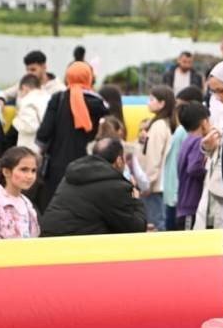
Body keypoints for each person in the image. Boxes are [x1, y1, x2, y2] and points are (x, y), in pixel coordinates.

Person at [35, 62, 109, 214]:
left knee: (56, 208)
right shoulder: (99, 104)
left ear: (68, 77)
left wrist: (40, 152)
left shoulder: (59, 98)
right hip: (88, 164)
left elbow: (44, 133)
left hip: (57, 166)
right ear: (89, 78)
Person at [40, 138, 147, 237]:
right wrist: (136, 200)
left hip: (47, 241)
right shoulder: (115, 187)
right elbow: (136, 229)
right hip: (75, 246)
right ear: (119, 161)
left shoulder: (72, 175)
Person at [198, 60, 223, 230]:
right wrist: (208, 146)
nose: (218, 97)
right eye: (214, 92)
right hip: (215, 186)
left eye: (221, 91)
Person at [137, 86, 177, 232]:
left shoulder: (158, 125)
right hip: (159, 183)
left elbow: (154, 157)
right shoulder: (164, 123)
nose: (148, 102)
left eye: (152, 99)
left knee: (155, 224)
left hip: (154, 185)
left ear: (162, 103)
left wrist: (147, 183)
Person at [163, 86, 201, 230]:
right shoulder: (183, 131)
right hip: (176, 193)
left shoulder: (184, 131)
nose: (177, 110)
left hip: (177, 194)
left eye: (180, 105)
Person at [175, 102, 210, 230]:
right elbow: (194, 167)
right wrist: (209, 172)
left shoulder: (187, 140)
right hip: (191, 205)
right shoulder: (198, 142)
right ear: (204, 122)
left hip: (184, 204)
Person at [99, 116, 149, 195]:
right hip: (123, 190)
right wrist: (145, 187)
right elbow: (139, 174)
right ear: (119, 131)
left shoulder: (94, 150)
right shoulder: (128, 151)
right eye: (140, 130)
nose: (142, 133)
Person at [0, 50, 64, 105]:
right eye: (27, 70)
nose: (29, 73)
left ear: (44, 67)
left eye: (33, 70)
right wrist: (0, 100)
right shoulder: (24, 83)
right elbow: (4, 94)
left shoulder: (59, 89)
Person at [11, 74, 50, 152]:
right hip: (47, 147)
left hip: (31, 148)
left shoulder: (27, 101)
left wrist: (15, 121)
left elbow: (30, 126)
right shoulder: (49, 97)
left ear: (24, 88)